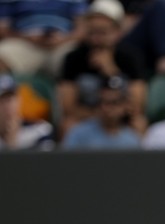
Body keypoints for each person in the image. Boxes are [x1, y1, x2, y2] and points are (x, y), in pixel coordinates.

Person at [58, 0, 147, 136]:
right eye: (92, 32)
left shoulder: (130, 57)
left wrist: (111, 72)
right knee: (68, 124)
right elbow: (68, 107)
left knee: (139, 123)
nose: (96, 39)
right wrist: (100, 114)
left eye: (102, 33)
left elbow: (136, 106)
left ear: (117, 32)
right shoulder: (74, 58)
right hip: (87, 118)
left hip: (120, 120)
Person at [0, 0, 87, 77]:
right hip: (24, 42)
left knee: (75, 59)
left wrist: (63, 40)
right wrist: (26, 38)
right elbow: (3, 29)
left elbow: (83, 29)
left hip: (63, 43)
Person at [62, 75, 142, 149]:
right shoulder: (79, 134)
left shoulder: (131, 140)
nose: (106, 108)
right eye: (103, 102)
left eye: (114, 102)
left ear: (124, 105)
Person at [0, 74, 54, 150]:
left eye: (11, 99)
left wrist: (12, 142)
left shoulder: (39, 130)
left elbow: (47, 160)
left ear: (19, 100)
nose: (7, 106)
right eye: (2, 100)